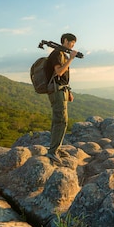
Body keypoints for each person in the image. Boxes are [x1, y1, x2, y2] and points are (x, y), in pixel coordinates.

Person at [44, 32, 79, 163]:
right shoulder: (57, 54)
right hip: (56, 91)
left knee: (58, 120)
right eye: (71, 43)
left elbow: (62, 77)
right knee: (61, 120)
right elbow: (59, 71)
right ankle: (52, 152)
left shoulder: (62, 54)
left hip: (61, 90)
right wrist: (71, 58)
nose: (72, 46)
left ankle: (55, 149)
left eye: (74, 44)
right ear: (65, 40)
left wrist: (68, 91)